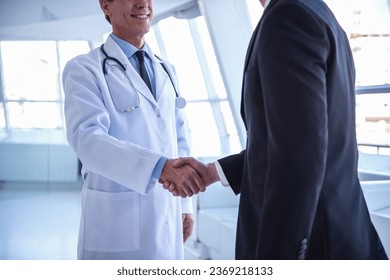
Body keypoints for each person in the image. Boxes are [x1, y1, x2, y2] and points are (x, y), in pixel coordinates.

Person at [165, 0, 388, 260]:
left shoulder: (287, 17)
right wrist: (213, 172)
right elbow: (298, 137)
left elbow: (301, 153)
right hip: (341, 230)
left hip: (315, 241)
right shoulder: (317, 11)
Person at [62, 0, 205, 260]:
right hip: (116, 221)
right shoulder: (84, 69)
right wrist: (158, 167)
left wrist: (185, 204)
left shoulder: (166, 70)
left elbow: (179, 139)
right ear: (106, 5)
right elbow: (88, 139)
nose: (143, 4)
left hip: (167, 210)